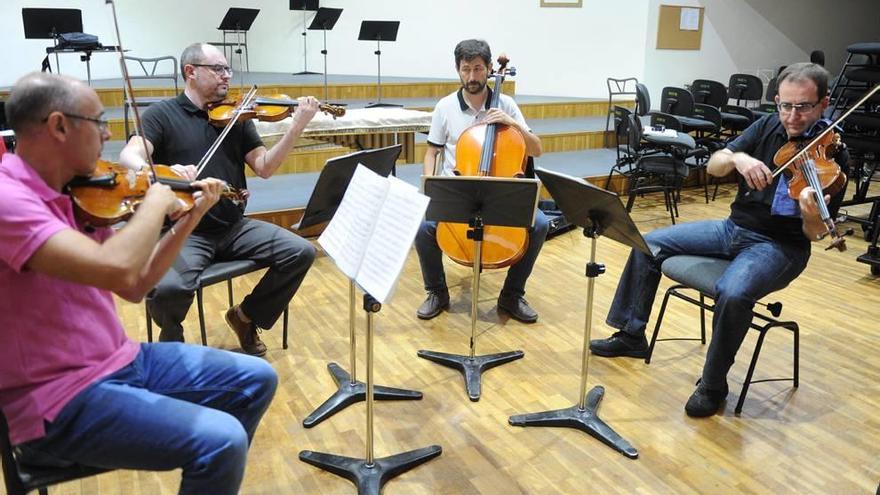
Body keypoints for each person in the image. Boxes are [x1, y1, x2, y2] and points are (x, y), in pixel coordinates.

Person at [0, 72, 277, 494]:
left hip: (118, 361)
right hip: (56, 401)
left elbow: (134, 285)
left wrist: (191, 217)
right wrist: (155, 202)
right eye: (99, 122)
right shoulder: (9, 201)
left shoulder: (76, 192)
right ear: (58, 126)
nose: (109, 133)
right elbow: (118, 268)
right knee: (221, 440)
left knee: (257, 378)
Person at [589, 63, 849, 417]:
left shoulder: (832, 155)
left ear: (823, 104)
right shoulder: (767, 124)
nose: (792, 116)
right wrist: (739, 158)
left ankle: (713, 385)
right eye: (785, 105)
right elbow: (714, 164)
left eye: (803, 107)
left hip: (780, 247)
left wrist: (809, 212)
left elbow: (815, 234)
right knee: (647, 243)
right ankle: (632, 334)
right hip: (732, 229)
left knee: (735, 292)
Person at [120, 42, 318, 356]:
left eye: (228, 69)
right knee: (168, 288)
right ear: (191, 72)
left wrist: (295, 128)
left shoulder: (238, 117)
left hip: (232, 226)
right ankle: (172, 344)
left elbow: (265, 168)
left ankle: (245, 316)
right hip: (186, 229)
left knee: (301, 252)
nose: (227, 76)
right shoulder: (162, 115)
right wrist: (163, 171)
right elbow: (129, 155)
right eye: (218, 69)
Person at [415, 39, 549, 323]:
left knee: (540, 224)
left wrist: (512, 124)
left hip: (499, 193)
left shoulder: (507, 104)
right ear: (457, 70)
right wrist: (428, 184)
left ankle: (512, 295)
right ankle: (436, 291)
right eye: (466, 70)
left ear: (490, 69)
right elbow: (432, 151)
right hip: (459, 192)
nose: (472, 77)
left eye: (478, 69)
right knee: (423, 226)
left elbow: (536, 148)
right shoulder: (445, 107)